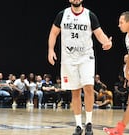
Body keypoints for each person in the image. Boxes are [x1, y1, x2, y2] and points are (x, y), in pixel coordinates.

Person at [47, 0, 112, 134]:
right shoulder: (62, 14)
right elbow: (53, 33)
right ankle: (78, 126)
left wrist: (106, 42)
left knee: (88, 87)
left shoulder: (90, 15)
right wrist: (51, 50)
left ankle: (88, 123)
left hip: (86, 57)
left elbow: (99, 33)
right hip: (68, 58)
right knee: (75, 92)